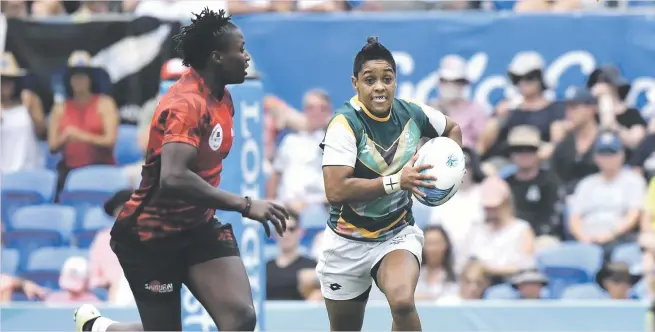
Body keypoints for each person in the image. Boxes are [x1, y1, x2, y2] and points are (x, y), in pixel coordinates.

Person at [73, 8, 288, 332]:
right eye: (240, 49)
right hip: (150, 235)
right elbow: (172, 177)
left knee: (241, 318)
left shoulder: (223, 98)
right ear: (216, 57)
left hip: (197, 226)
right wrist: (245, 205)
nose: (246, 57)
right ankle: (99, 328)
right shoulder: (186, 105)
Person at [318, 37, 462, 331]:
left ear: (396, 80)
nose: (380, 87)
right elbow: (335, 191)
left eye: (387, 78)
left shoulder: (412, 113)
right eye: (370, 80)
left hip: (395, 234)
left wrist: (450, 173)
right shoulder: (344, 125)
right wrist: (397, 182)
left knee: (402, 302)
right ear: (355, 83)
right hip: (346, 243)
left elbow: (452, 129)